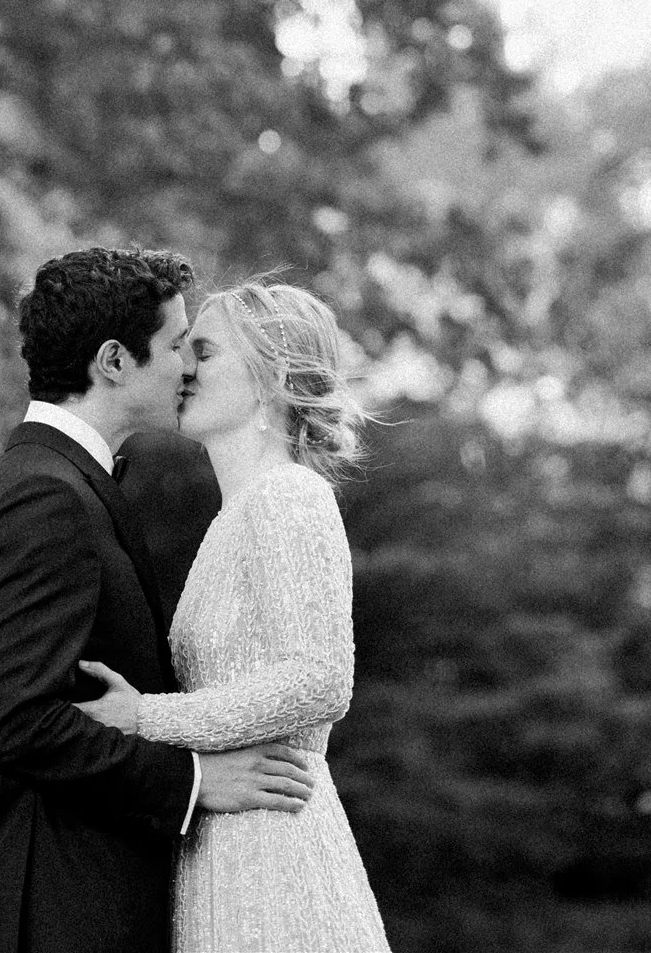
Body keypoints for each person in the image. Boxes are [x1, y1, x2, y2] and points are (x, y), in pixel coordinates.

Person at [0, 247, 315, 953]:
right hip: (60, 909)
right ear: (114, 361)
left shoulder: (60, 483)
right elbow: (18, 722)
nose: (187, 367)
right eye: (175, 345)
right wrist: (194, 779)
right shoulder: (45, 495)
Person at [75, 278, 393, 953]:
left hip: (276, 850)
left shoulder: (290, 496)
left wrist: (144, 717)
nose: (183, 369)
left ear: (272, 377)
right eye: (183, 350)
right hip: (219, 844)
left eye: (205, 351)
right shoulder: (232, 518)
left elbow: (320, 679)